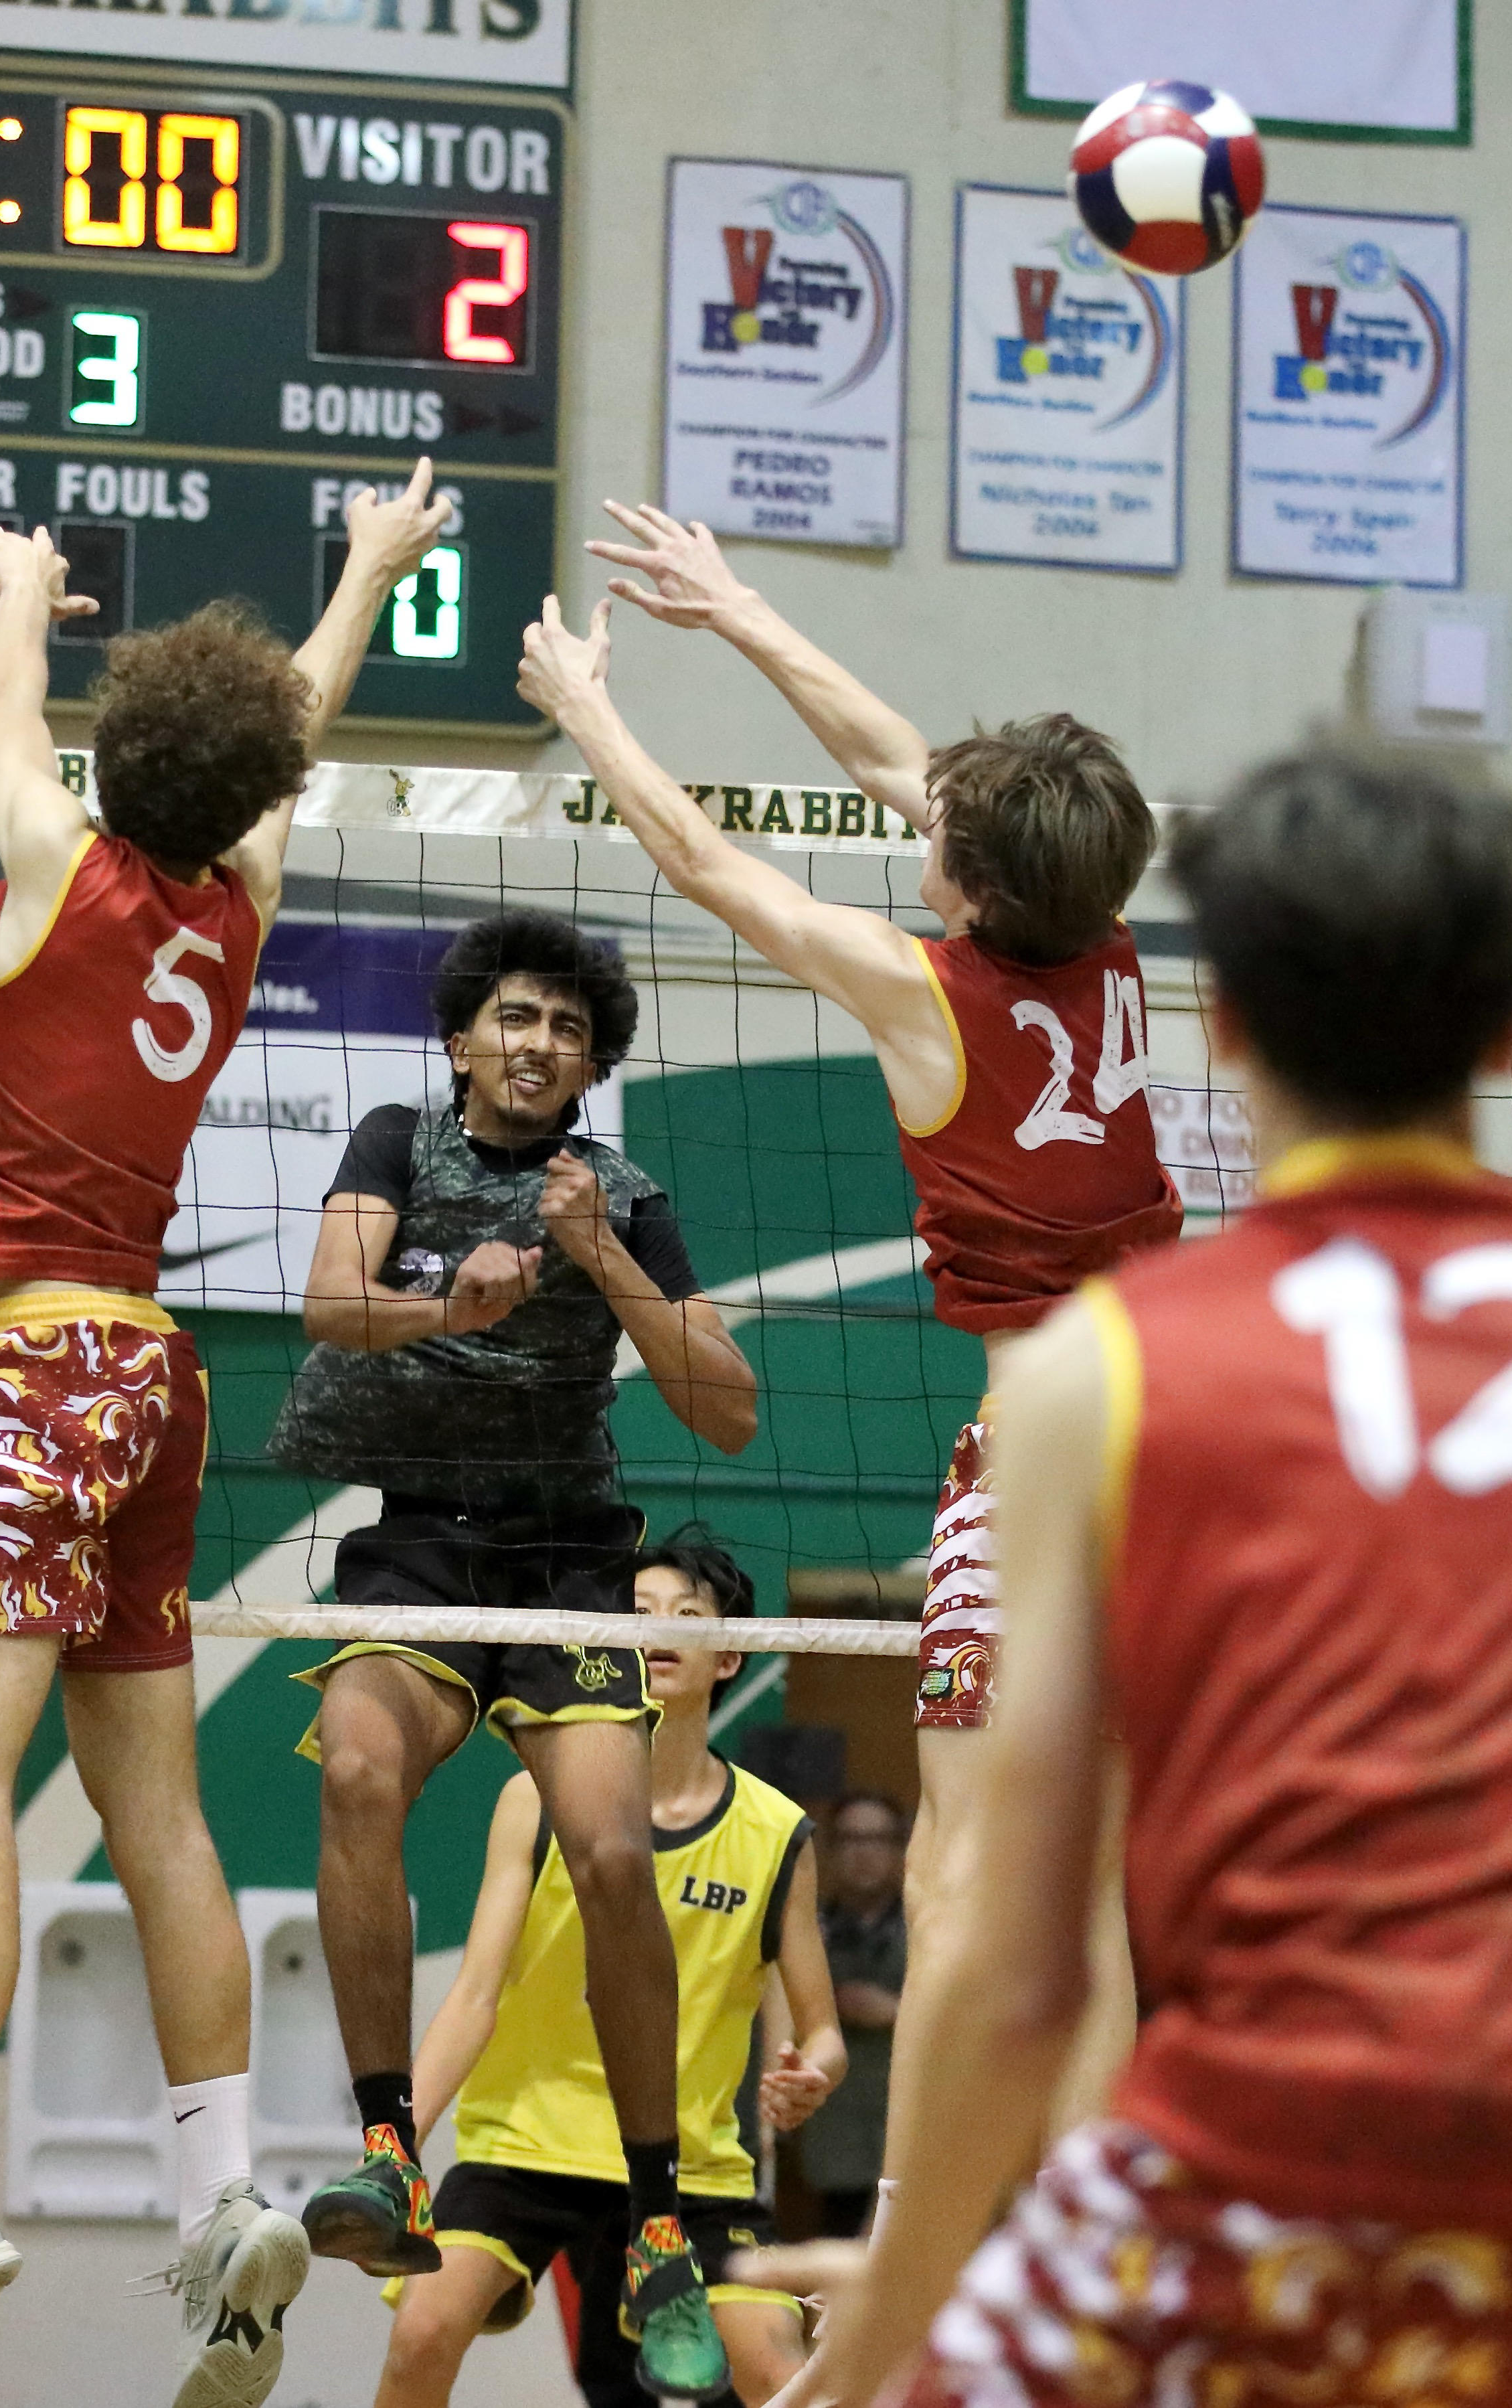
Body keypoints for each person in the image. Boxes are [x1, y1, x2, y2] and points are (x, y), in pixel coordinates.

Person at [776, 745, 1512, 2407]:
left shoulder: (1100, 1370)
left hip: (1302, 2169)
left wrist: (898, 2304)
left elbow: (1018, 1962)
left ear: (1225, 1025)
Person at [0, 474, 452, 2408]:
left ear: (114, 765)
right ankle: (222, 2193)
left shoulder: (65, 861)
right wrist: (369, 569)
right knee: (160, 1815)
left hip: (29, 1366)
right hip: (156, 1379)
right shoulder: (238, 898)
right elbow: (282, 732)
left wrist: (24, 596)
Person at [536, 505, 1179, 2225]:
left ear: (968, 877)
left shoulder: (926, 993)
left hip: (1043, 1454)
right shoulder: (1099, 935)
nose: (922, 815)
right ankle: (1100, 2233)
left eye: (943, 829)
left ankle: (917, 2217)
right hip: (1183, 1444)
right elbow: (903, 758)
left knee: (967, 1858)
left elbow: (703, 864)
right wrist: (737, 609)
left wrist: (585, 708)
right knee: (1097, 1891)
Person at [269, 903, 761, 2401]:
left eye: (566, 1024)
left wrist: (596, 1253)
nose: (537, 1041)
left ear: (592, 1055)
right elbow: (327, 1303)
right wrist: (449, 1299)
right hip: (418, 1539)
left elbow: (728, 1405)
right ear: (463, 1033)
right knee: (359, 1769)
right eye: (514, 1015)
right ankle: (380, 2146)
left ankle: (661, 2218)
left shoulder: (622, 1191)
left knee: (611, 1853)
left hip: (566, 1556)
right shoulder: (393, 1139)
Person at [378, 1529, 843, 2408]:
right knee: (422, 2333)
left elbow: (818, 2029)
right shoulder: (533, 1798)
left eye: (688, 1615)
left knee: (780, 2371)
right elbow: (474, 1993)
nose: (659, 1628)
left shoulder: (778, 1831)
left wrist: (813, 2068)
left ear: (729, 1657)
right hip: (527, 2142)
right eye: (636, 1613)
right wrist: (394, 2142)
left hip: (695, 2167)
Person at [804, 1793, 909, 2238]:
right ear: (829, 1849)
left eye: (878, 1838)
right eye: (850, 1838)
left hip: (914, 2135)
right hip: (833, 2147)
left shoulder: (936, 1929)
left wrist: (896, 2011)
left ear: (901, 1848)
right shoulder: (804, 1928)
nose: (865, 1851)